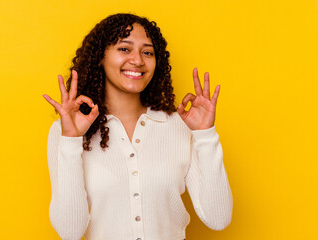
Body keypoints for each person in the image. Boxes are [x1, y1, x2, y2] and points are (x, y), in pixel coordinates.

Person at [43, 13, 233, 240]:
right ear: (100, 58)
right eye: (124, 49)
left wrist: (205, 135)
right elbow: (69, 232)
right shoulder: (66, 131)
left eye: (147, 52)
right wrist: (71, 141)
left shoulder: (179, 126)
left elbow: (218, 218)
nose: (138, 60)